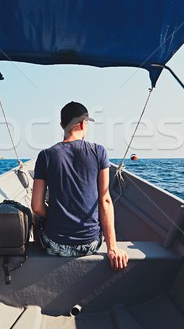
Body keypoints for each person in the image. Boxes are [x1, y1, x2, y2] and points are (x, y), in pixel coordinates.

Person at [31, 101, 129, 270]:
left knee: (36, 216)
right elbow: (104, 200)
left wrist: (53, 216)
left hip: (54, 245)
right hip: (90, 245)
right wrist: (112, 247)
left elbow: (36, 206)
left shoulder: (45, 156)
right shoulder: (99, 152)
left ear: (62, 125)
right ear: (83, 123)